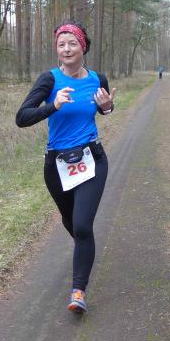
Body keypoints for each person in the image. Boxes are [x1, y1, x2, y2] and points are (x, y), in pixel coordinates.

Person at [16, 20, 116, 314]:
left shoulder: (98, 79)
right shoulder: (49, 80)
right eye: (61, 44)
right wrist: (53, 106)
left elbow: (103, 108)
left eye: (72, 43)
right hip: (57, 164)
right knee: (71, 221)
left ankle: (78, 291)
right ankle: (85, 250)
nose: (67, 48)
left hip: (91, 158)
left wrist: (107, 106)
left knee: (82, 225)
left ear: (83, 47)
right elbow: (22, 117)